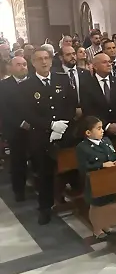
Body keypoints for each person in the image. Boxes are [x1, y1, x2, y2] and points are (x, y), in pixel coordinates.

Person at [19, 47, 76, 224]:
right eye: (39, 59)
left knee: (70, 168)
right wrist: (51, 126)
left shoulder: (62, 79)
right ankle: (45, 208)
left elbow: (71, 103)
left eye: (46, 58)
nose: (44, 62)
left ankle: (77, 200)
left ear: (51, 60)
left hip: (64, 133)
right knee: (43, 174)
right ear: (33, 63)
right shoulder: (26, 86)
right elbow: (27, 113)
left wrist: (62, 125)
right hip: (41, 137)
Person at [75, 116, 116, 239]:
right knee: (96, 206)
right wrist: (101, 165)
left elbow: (113, 154)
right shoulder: (82, 147)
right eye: (99, 128)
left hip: (108, 179)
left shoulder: (106, 141)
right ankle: (97, 229)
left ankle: (106, 225)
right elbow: (83, 167)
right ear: (88, 133)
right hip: (94, 181)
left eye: (102, 128)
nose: (102, 131)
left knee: (107, 204)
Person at [80, 53, 116, 139]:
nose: (109, 64)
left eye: (110, 62)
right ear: (95, 66)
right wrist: (107, 126)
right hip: (99, 133)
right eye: (104, 62)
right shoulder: (86, 85)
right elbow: (88, 110)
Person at [0, 56, 30, 201]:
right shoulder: (4, 86)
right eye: (18, 65)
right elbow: (4, 109)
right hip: (15, 129)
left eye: (24, 64)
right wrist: (21, 123)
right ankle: (19, 190)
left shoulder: (33, 81)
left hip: (35, 127)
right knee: (18, 160)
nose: (23, 67)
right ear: (10, 68)